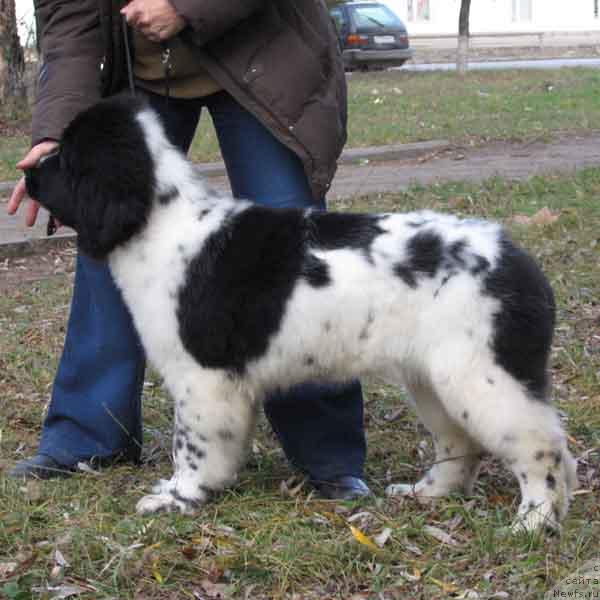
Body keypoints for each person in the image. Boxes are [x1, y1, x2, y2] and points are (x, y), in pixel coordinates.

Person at [7, 0, 370, 500]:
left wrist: (187, 7)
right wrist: (56, 137)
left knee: (293, 251)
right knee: (109, 237)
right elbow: (71, 18)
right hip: (142, 73)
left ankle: (327, 454)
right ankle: (88, 435)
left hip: (261, 55)